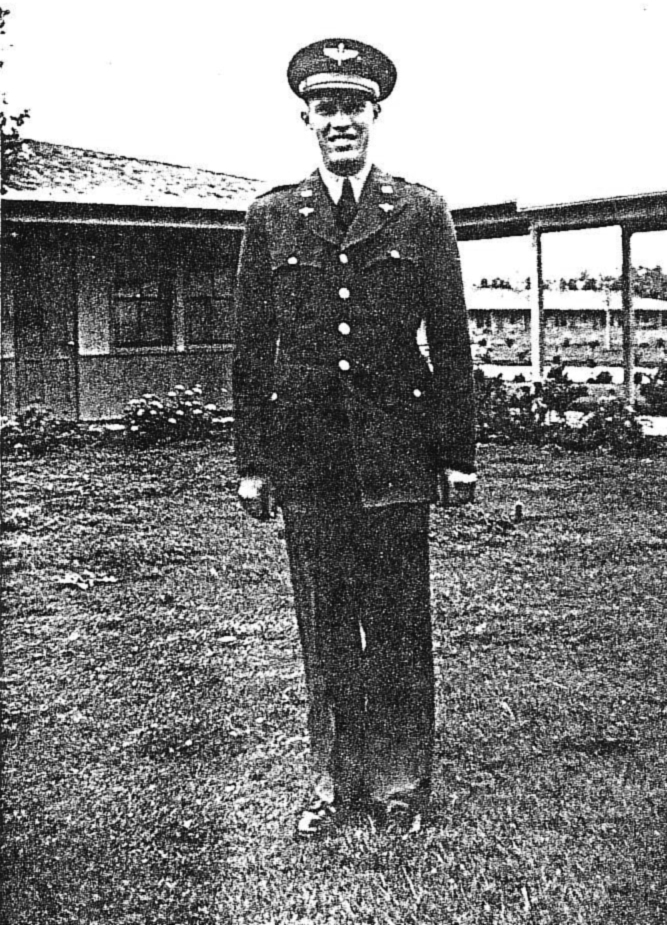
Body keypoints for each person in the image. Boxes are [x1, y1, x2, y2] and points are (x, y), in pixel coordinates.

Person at [233, 37, 476, 838]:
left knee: (398, 621)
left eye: (354, 107)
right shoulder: (272, 216)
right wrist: (253, 462)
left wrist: (456, 454)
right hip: (308, 457)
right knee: (326, 624)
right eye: (326, 108)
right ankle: (332, 780)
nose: (340, 121)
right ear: (305, 118)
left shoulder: (420, 211)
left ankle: (401, 782)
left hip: (396, 451)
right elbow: (251, 347)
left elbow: (449, 339)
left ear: (375, 116)